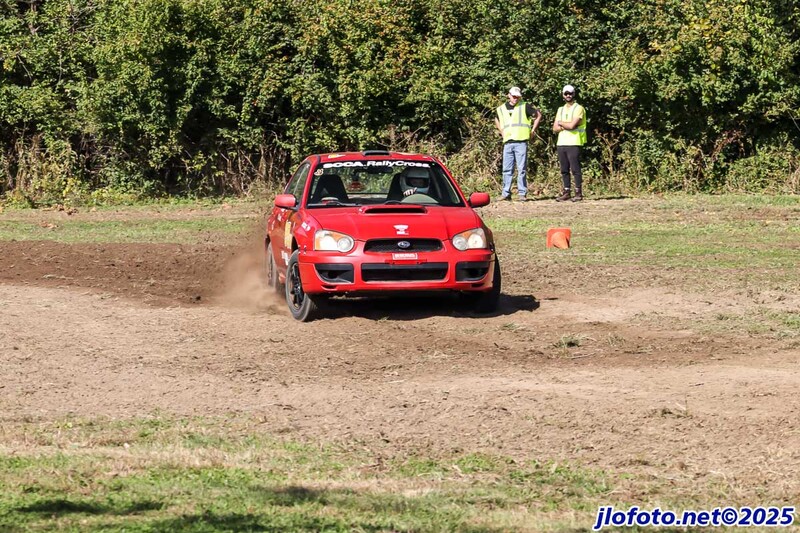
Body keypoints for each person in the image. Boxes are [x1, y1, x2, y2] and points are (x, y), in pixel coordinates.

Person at [494, 86, 542, 201]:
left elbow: (538, 115)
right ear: (508, 95)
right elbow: (496, 119)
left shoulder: (525, 106)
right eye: (514, 96)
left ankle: (522, 193)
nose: (516, 98)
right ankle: (506, 193)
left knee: (521, 169)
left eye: (517, 97)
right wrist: (501, 131)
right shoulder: (500, 109)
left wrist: (533, 130)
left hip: (521, 141)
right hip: (508, 142)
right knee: (507, 169)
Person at [553, 84, 587, 202]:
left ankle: (578, 192)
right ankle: (566, 191)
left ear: (574, 94)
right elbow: (555, 128)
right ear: (563, 95)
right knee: (564, 169)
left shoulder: (579, 108)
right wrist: (565, 125)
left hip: (574, 141)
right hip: (561, 142)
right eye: (566, 93)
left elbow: (573, 125)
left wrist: (561, 123)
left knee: (575, 169)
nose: (568, 95)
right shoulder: (560, 109)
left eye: (570, 93)